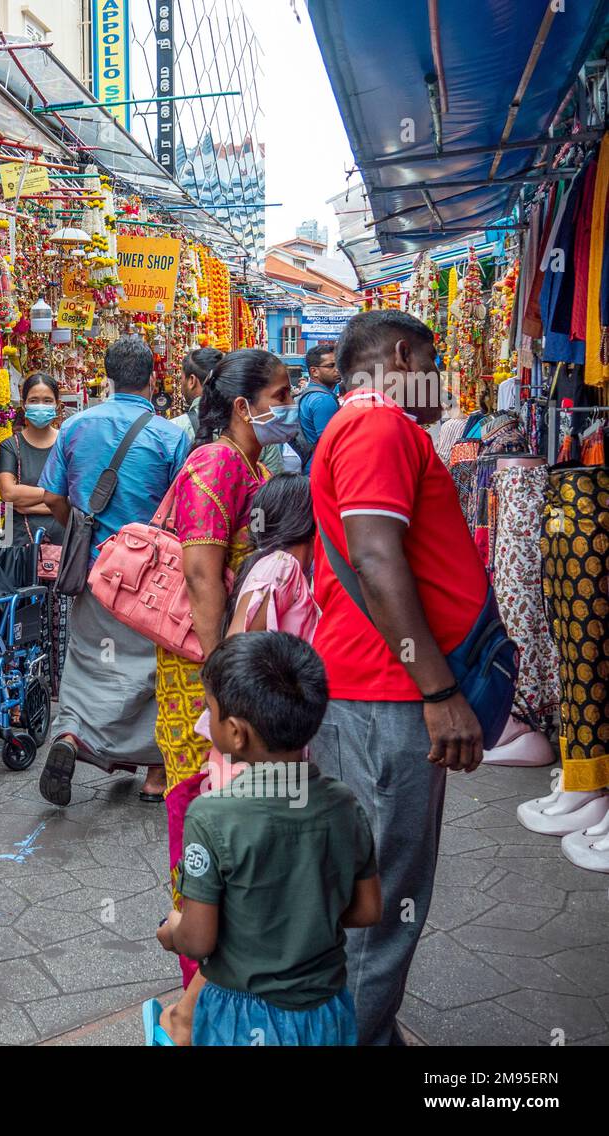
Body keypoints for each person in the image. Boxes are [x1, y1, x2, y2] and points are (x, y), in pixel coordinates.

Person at [310, 309, 488, 1046]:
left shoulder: (361, 427)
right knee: (385, 897)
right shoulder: (380, 425)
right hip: (385, 694)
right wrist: (439, 692)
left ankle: (360, 1030)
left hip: (375, 688)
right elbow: (376, 558)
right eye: (436, 362)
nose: (442, 381)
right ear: (404, 353)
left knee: (369, 886)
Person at [145, 631, 382, 1046]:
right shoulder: (345, 804)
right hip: (326, 1012)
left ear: (236, 733)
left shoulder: (211, 815)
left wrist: (172, 931)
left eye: (210, 709)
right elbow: (366, 909)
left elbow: (200, 939)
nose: (207, 717)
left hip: (240, 1015)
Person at [167, 471, 320, 992]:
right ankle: (198, 1007)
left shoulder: (274, 566)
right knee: (248, 880)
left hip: (256, 742)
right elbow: (242, 653)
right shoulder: (279, 569)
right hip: (253, 748)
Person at [156, 349, 296, 893]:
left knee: (231, 799)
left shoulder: (251, 465)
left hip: (231, 660)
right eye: (280, 397)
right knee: (199, 800)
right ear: (243, 405)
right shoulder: (216, 463)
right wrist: (220, 676)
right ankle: (197, 959)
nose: (290, 407)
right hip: (203, 664)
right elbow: (201, 575)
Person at [38, 335, 190, 805]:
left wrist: (84, 530)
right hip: (150, 578)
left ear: (107, 377)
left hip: (93, 570)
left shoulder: (76, 427)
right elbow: (183, 511)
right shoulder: (170, 435)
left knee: (86, 664)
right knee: (150, 672)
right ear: (152, 378)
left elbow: (51, 497)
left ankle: (69, 739)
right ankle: (154, 775)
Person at [0, 373, 66, 548]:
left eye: (47, 400)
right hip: (19, 544)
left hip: (63, 544)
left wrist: (27, 502)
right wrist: (57, 497)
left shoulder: (68, 444)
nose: (40, 405)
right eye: (34, 400)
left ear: (57, 405)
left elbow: (78, 498)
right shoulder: (10, 447)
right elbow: (9, 494)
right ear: (24, 405)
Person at [292, 342, 341, 470]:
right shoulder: (323, 400)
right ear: (314, 371)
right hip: (319, 469)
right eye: (331, 366)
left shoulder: (310, 395)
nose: (337, 369)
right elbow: (331, 445)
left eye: (338, 364)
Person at [172, 347, 222, 447]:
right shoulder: (243, 424)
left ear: (192, 381)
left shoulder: (174, 428)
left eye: (181, 378)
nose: (181, 384)